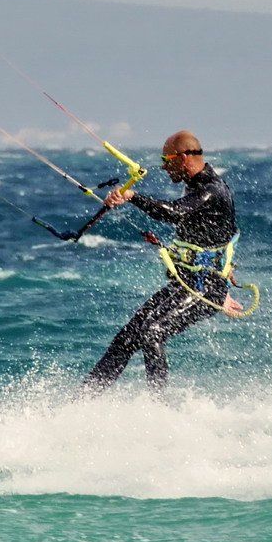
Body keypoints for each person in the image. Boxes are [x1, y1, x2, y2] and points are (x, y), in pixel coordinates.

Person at [82, 130, 243, 392]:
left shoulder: (211, 190)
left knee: (151, 332)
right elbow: (227, 230)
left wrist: (132, 197)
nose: (163, 166)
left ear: (181, 158)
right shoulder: (197, 186)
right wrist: (226, 268)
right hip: (189, 284)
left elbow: (174, 213)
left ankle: (159, 407)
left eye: (165, 159)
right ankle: (83, 401)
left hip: (204, 288)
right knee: (127, 337)